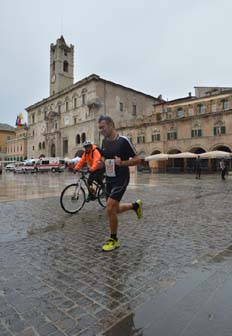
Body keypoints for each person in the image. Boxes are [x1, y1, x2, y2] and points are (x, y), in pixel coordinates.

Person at [98, 115, 143, 252]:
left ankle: (114, 239)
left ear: (111, 125)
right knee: (115, 210)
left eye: (102, 127)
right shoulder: (104, 141)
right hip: (109, 178)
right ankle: (135, 206)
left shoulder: (123, 141)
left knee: (110, 208)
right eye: (99, 128)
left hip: (121, 178)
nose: (101, 130)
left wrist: (122, 163)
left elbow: (137, 159)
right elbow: (105, 157)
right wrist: (101, 163)